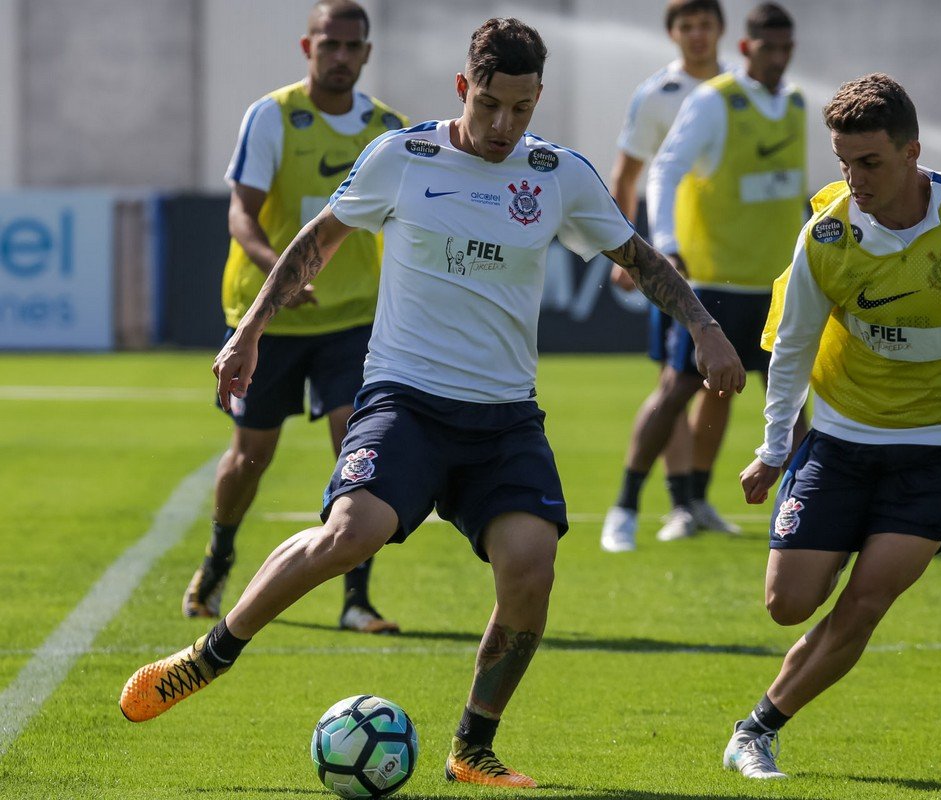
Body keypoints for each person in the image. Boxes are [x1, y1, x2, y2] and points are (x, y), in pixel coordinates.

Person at [119, 17, 745, 790]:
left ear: (537, 98)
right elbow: (315, 240)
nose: (503, 125)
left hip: (505, 416)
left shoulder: (558, 173)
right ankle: (210, 654)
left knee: (532, 565)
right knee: (352, 532)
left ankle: (472, 748)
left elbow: (640, 258)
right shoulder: (403, 157)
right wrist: (249, 331)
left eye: (521, 108)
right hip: (406, 399)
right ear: (463, 88)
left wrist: (706, 329)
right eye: (489, 105)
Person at [722, 73, 941, 780]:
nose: (854, 179)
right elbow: (792, 345)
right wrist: (775, 448)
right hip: (842, 436)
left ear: (912, 151)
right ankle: (820, 562)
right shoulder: (826, 233)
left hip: (938, 445)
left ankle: (758, 729)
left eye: (870, 163)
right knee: (788, 602)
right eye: (843, 163)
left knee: (865, 601)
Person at [183, 0, 407, 635]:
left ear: (367, 54)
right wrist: (282, 273)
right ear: (306, 48)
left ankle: (356, 600)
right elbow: (241, 215)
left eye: (351, 46)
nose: (339, 56)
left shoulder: (390, 131)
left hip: (353, 322)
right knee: (252, 455)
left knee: (359, 452)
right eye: (328, 44)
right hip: (270, 320)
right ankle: (220, 555)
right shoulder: (274, 116)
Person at [601, 2, 808, 552]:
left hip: (778, 284)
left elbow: (792, 189)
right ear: (746, 47)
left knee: (790, 400)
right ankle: (625, 506)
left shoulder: (794, 102)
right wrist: (657, 251)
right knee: (676, 388)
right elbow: (656, 170)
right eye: (770, 47)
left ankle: (798, 513)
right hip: (710, 278)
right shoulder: (703, 100)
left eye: (787, 48)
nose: (780, 58)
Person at [602, 0, 729, 550]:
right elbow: (627, 173)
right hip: (679, 260)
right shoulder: (658, 94)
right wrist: (623, 252)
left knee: (720, 387)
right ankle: (675, 503)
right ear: (673, 34)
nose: (697, 35)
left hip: (736, 260)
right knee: (675, 382)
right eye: (687, 26)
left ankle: (697, 497)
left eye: (705, 24)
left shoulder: (739, 89)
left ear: (721, 30)